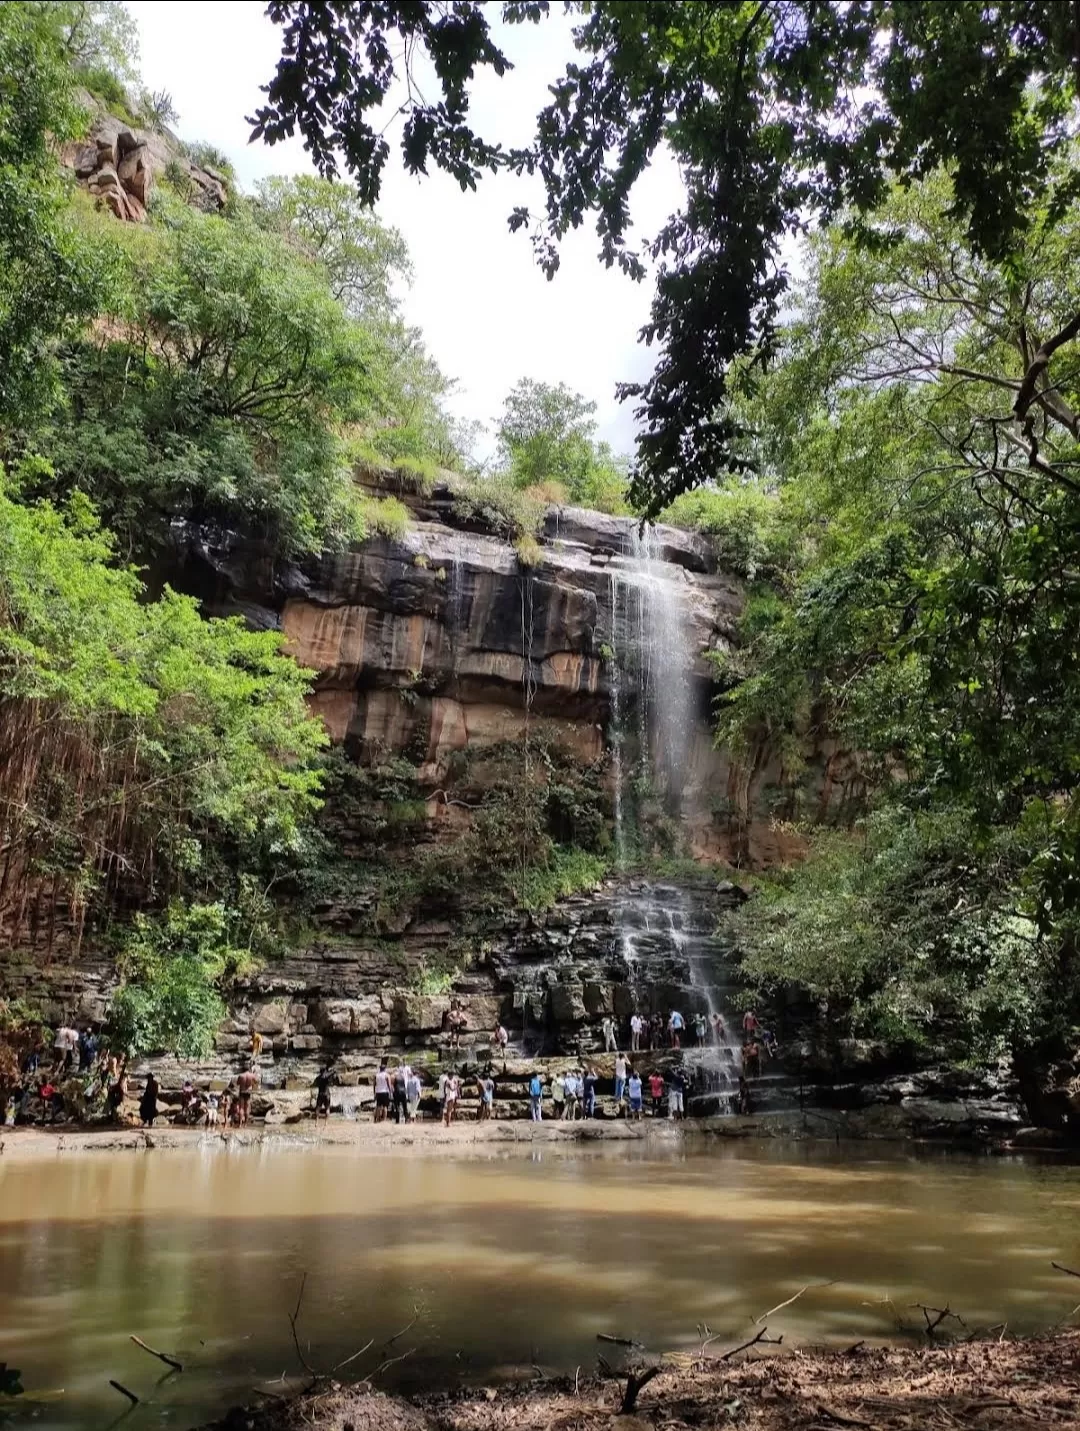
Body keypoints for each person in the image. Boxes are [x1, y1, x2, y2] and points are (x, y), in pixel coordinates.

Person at [392, 1060, 410, 1125]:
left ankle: (397, 1120)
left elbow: (393, 1086)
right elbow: (404, 1085)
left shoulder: (395, 1077)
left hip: (397, 1092)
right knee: (405, 1106)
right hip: (403, 1092)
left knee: (397, 1106)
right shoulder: (402, 1077)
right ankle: (406, 1119)